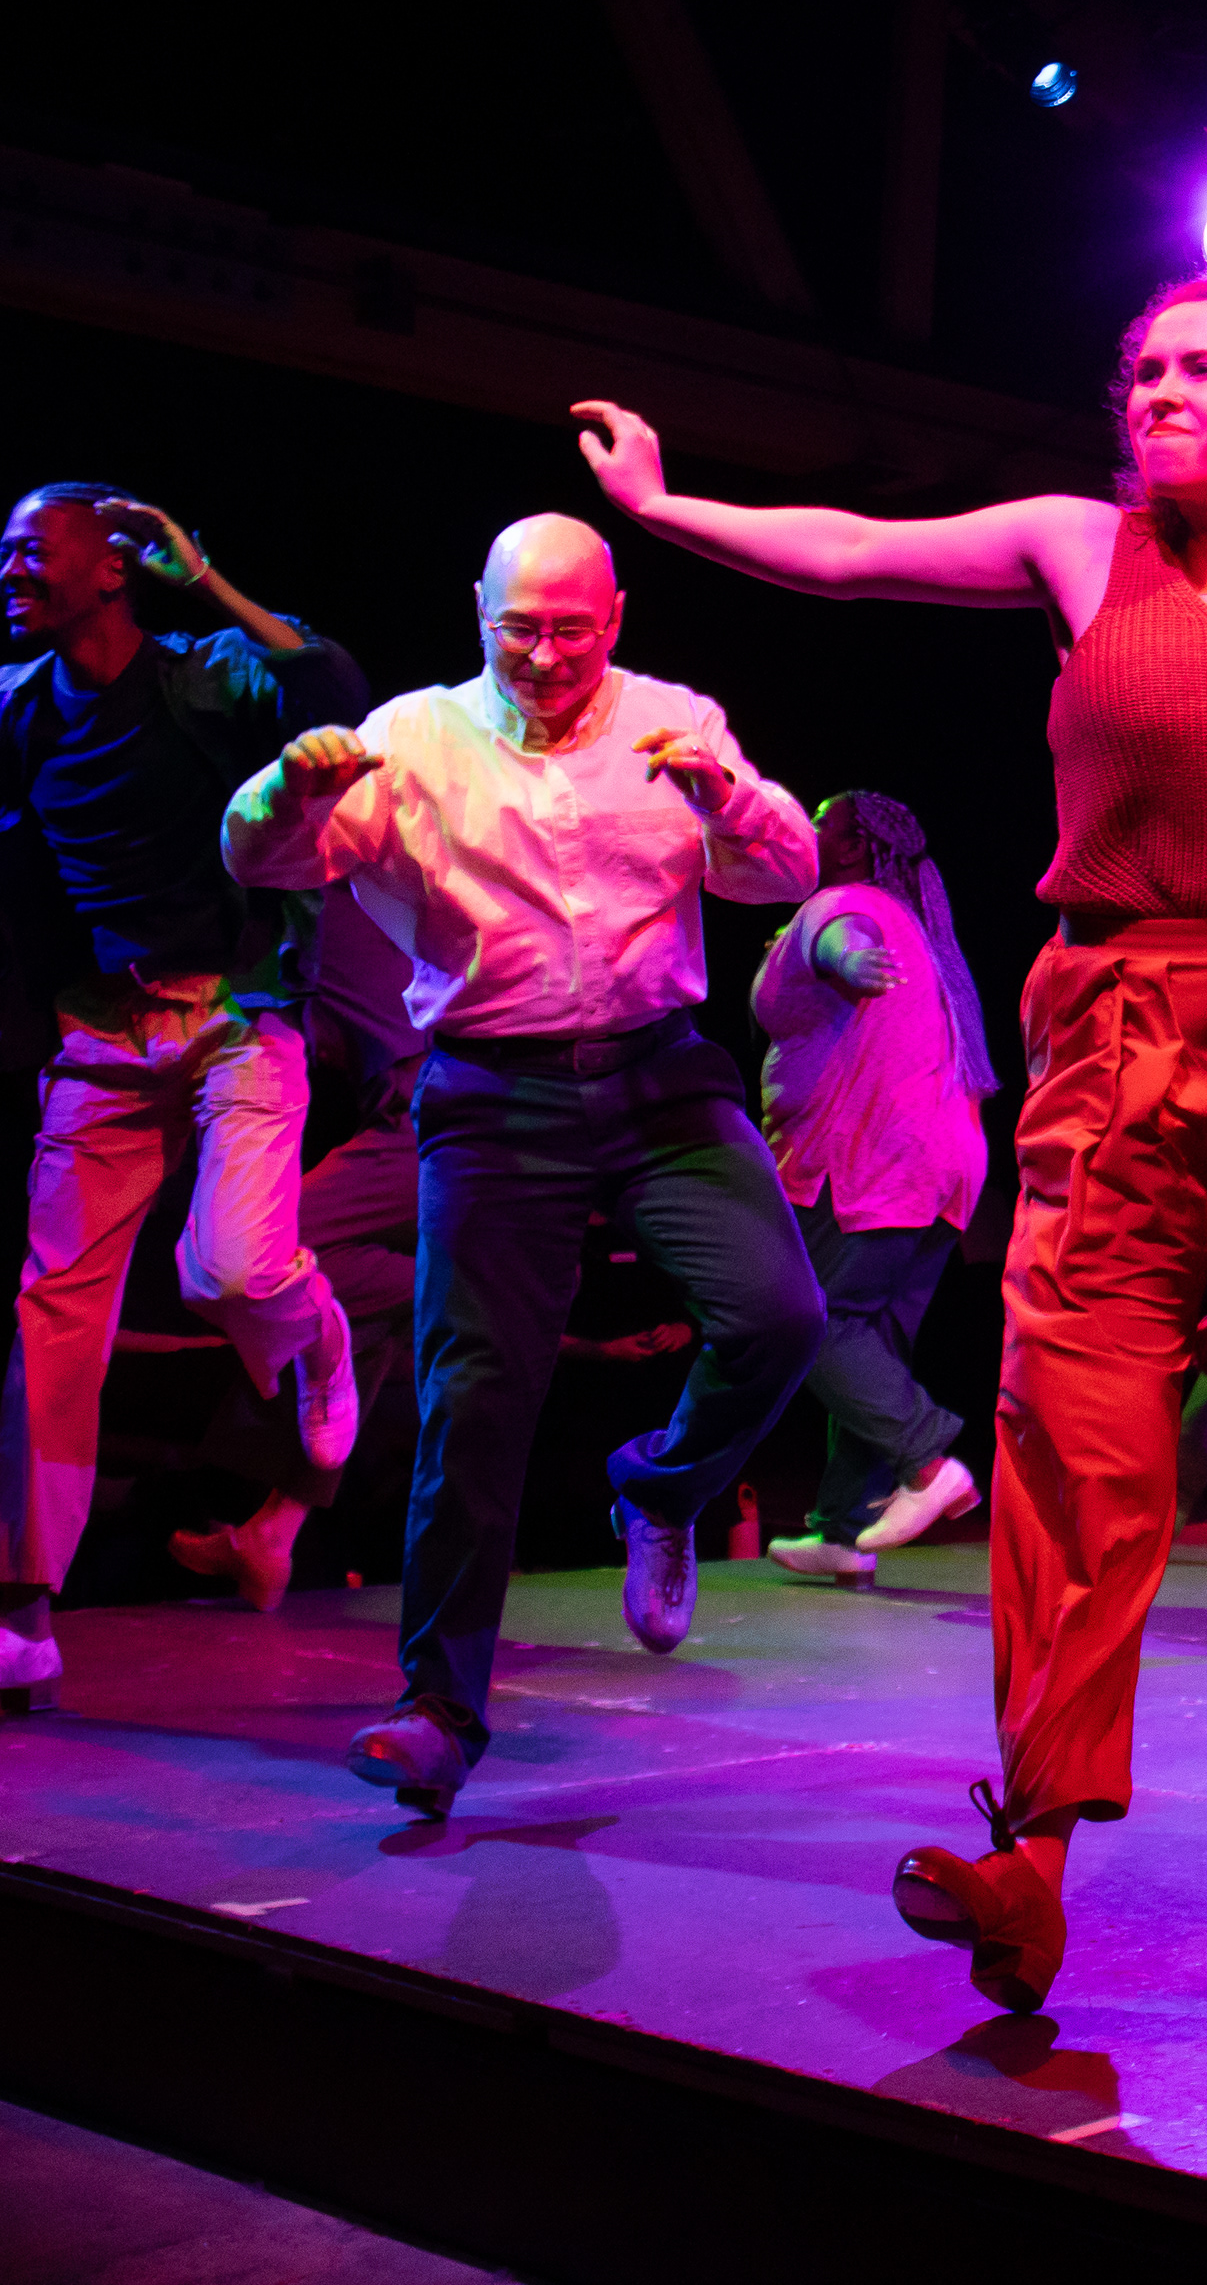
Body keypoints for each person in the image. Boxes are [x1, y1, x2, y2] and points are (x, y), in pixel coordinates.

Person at [567, 259, 1207, 2017]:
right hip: (1117, 1024)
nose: (1158, 389)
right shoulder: (1077, 546)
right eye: (1143, 368)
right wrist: (663, 508)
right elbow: (852, 549)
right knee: (1076, 1442)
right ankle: (1029, 1857)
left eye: (1201, 368)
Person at [221, 511, 829, 1815]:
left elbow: (786, 870)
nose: (546, 656)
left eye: (570, 630)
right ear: (478, 614)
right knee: (475, 1400)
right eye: (519, 629)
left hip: (660, 1078)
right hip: (496, 1097)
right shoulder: (414, 738)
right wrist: (286, 790)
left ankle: (659, 1488)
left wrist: (727, 800)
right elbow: (262, 858)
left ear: (615, 620)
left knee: (780, 1315)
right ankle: (438, 1711)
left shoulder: (673, 720)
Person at [0, 485, 366, 1707]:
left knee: (232, 1274)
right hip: (104, 1038)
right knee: (52, 1314)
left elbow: (327, 683)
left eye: (30, 549)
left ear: (110, 568)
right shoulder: (20, 705)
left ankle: (316, 1337)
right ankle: (21, 1606)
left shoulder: (202, 675)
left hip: (236, 1019)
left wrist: (201, 576)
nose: (9, 570)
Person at [753, 791, 996, 1582]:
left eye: (822, 821)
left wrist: (842, 959)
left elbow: (840, 936)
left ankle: (927, 1460)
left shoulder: (846, 904)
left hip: (869, 1162)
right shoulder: (925, 931)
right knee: (873, 1340)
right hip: (943, 1166)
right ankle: (841, 1528)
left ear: (855, 846)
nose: (807, 829)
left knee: (811, 1323)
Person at [166, 883, 427, 1610]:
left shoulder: (325, 900)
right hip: (409, 1116)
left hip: (430, 1114)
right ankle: (273, 1533)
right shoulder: (347, 906)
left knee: (274, 1245)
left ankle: (480, 1279)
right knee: (341, 1306)